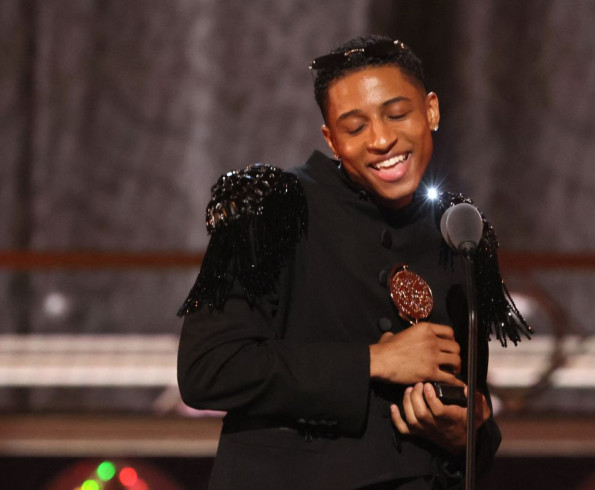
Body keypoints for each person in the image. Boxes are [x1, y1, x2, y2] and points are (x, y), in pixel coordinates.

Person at [177, 34, 531, 489]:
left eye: (397, 114)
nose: (381, 139)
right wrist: (372, 361)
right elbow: (209, 369)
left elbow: (471, 424)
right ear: (331, 138)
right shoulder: (272, 208)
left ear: (432, 111)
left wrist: (464, 433)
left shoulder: (460, 231)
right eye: (355, 126)